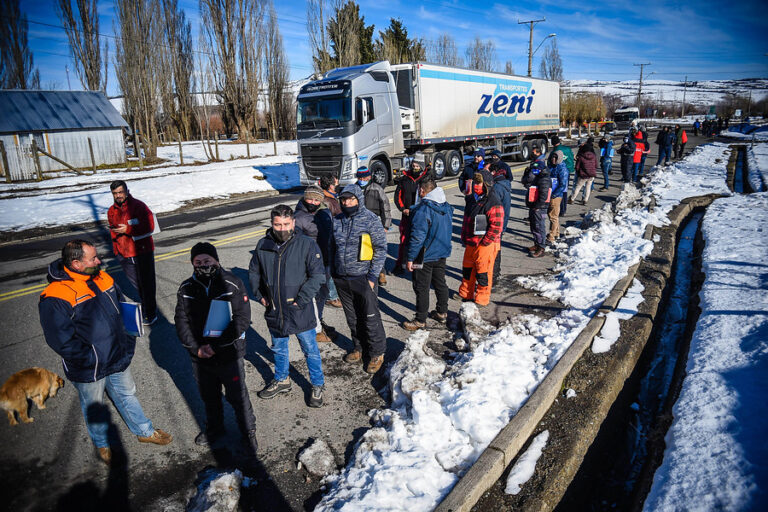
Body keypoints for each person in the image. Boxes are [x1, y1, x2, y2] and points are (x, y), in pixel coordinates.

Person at [39, 239, 172, 465]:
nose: (99, 261)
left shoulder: (103, 277)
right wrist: (91, 358)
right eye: (93, 258)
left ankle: (144, 431)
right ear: (77, 264)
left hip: (117, 355)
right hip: (89, 367)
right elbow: (60, 340)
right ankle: (102, 444)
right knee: (94, 406)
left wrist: (129, 337)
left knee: (127, 394)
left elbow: (121, 306)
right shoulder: (55, 295)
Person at [174, 243, 258, 450]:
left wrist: (216, 346)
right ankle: (215, 428)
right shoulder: (186, 288)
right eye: (198, 262)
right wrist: (196, 348)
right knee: (209, 396)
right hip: (201, 357)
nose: (203, 265)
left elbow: (241, 319)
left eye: (207, 261)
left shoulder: (233, 283)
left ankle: (248, 432)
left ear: (216, 261)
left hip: (228, 353)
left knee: (238, 396)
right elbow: (181, 321)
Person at [249, 205, 327, 407]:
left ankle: (317, 384)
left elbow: (318, 276)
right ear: (272, 224)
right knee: (279, 348)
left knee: (310, 349)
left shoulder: (306, 244)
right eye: (278, 225)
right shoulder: (263, 244)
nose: (282, 229)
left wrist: (301, 299)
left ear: (293, 222)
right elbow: (255, 272)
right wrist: (260, 295)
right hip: (275, 309)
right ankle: (282, 379)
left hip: (299, 308)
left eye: (286, 224)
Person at [331, 184, 388, 374]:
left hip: (363, 277)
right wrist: (333, 270)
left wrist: (372, 276)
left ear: (358, 199)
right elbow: (332, 246)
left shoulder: (370, 219)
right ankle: (359, 347)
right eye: (344, 199)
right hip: (342, 278)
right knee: (352, 317)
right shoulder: (337, 220)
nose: (347, 203)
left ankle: (377, 352)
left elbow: (380, 249)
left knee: (370, 317)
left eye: (351, 199)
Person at [402, 177, 452, 330]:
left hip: (425, 254)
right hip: (441, 251)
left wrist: (410, 257)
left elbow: (417, 237)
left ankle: (420, 319)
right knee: (440, 282)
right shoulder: (446, 206)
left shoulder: (424, 210)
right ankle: (442, 312)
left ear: (422, 190)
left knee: (421, 287)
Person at [107, 180, 157, 325]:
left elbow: (150, 226)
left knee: (146, 285)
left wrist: (128, 229)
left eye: (120, 192)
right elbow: (113, 232)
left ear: (127, 191)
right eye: (115, 193)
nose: (118, 195)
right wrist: (116, 251)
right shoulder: (111, 210)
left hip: (141, 252)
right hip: (123, 254)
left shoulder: (139, 206)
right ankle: (146, 306)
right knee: (138, 285)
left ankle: (150, 314)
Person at [294, 185, 336, 343]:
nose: (312, 202)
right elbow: (296, 243)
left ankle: (318, 319)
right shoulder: (298, 217)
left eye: (316, 200)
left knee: (322, 293)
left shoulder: (324, 212)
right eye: (309, 199)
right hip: (311, 263)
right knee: (312, 295)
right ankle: (313, 328)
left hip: (326, 260)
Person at [459, 170, 504, 306]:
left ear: (486, 185)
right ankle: (466, 293)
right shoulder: (472, 199)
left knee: (483, 272)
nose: (476, 185)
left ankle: (482, 298)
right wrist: (465, 237)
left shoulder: (493, 202)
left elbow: (496, 226)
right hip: (471, 241)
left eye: (479, 183)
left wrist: (485, 242)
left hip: (485, 244)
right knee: (467, 269)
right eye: (475, 182)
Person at [356, 166, 392, 286]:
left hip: (375, 223)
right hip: (359, 224)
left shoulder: (376, 189)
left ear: (369, 177)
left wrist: (385, 225)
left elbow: (385, 207)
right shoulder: (355, 188)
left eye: (364, 178)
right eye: (360, 178)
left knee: (378, 249)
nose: (362, 180)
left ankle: (381, 272)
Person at [393, 156, 428, 274]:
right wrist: (403, 209)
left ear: (421, 167)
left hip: (421, 216)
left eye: (417, 166)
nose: (415, 168)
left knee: (420, 240)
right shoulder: (405, 179)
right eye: (413, 166)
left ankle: (420, 266)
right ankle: (400, 264)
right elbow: (397, 196)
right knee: (404, 240)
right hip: (407, 215)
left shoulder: (426, 179)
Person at [521, 153, 552, 258]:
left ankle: (541, 247)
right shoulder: (537, 176)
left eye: (536, 170)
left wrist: (537, 206)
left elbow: (543, 195)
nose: (534, 172)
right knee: (534, 226)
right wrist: (527, 172)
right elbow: (525, 182)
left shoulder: (544, 179)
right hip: (534, 205)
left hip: (539, 207)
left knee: (539, 227)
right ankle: (537, 244)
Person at [318, 174, 342, 308]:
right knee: (330, 267)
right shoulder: (329, 201)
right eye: (336, 182)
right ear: (331, 185)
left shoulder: (328, 197)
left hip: (328, 238)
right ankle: (331, 296)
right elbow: (338, 218)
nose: (338, 183)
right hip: (329, 239)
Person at [490, 162, 511, 284]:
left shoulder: (497, 188)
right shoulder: (504, 184)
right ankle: (495, 273)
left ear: (494, 172)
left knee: (494, 251)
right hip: (501, 224)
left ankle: (493, 276)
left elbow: (493, 207)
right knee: (496, 250)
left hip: (496, 225)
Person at [546, 150, 568, 244]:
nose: (553, 159)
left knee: (553, 216)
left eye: (555, 157)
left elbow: (563, 184)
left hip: (556, 195)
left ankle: (551, 237)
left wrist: (554, 195)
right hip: (550, 193)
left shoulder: (562, 168)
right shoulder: (550, 166)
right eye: (552, 157)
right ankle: (556, 233)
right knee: (553, 215)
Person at [551, 135, 574, 215]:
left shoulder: (555, 151)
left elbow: (551, 164)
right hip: (567, 171)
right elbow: (571, 158)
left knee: (559, 190)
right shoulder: (567, 149)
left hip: (558, 173)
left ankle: (560, 209)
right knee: (564, 190)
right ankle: (563, 209)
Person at [571, 138, 598, 204]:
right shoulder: (593, 155)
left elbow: (577, 166)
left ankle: (572, 199)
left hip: (583, 174)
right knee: (588, 187)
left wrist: (578, 172)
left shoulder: (581, 156)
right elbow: (596, 165)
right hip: (591, 174)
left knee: (578, 187)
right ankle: (585, 200)